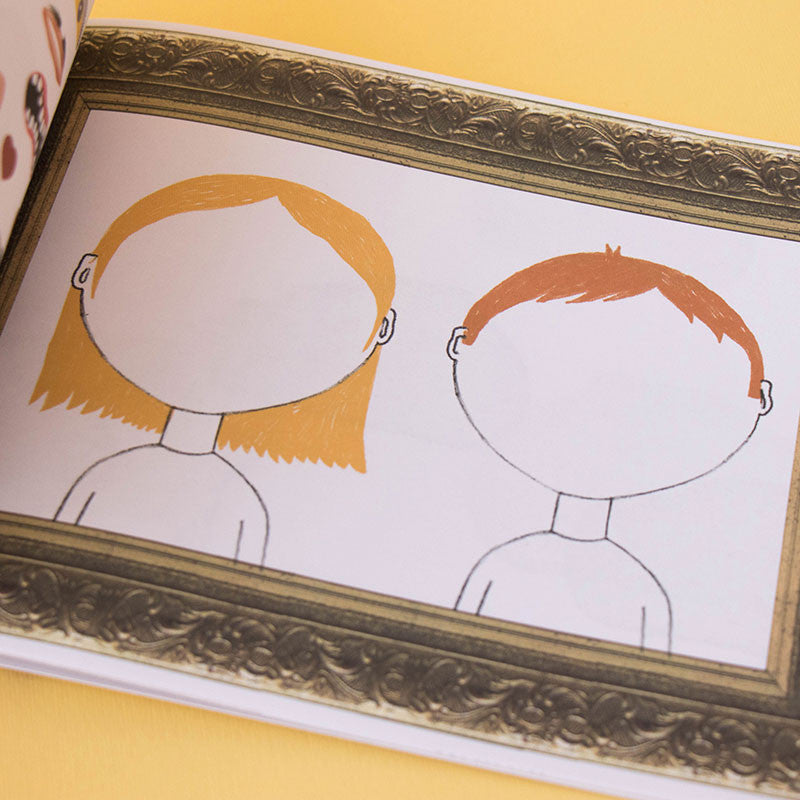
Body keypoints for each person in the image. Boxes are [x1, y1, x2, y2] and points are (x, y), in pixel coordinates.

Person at [32, 174, 397, 564]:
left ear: (382, 330)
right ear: (86, 272)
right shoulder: (109, 478)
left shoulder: (239, 504)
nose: (224, 333)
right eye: (177, 283)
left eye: (289, 320)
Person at [447, 245, 772, 651]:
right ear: (461, 345)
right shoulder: (503, 569)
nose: (599, 422)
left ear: (760, 402)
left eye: (655, 403)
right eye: (567, 380)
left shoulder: (638, 591)